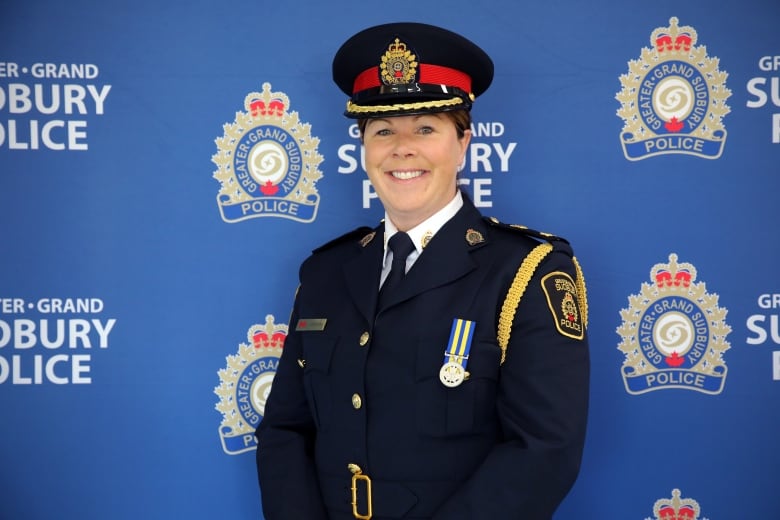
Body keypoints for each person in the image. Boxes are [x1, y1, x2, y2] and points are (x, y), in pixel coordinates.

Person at [255, 21, 590, 520]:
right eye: (383, 130)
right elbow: (285, 430)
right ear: (364, 150)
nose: (402, 147)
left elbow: (543, 450)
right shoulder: (326, 273)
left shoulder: (525, 272)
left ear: (463, 143)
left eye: (426, 128)